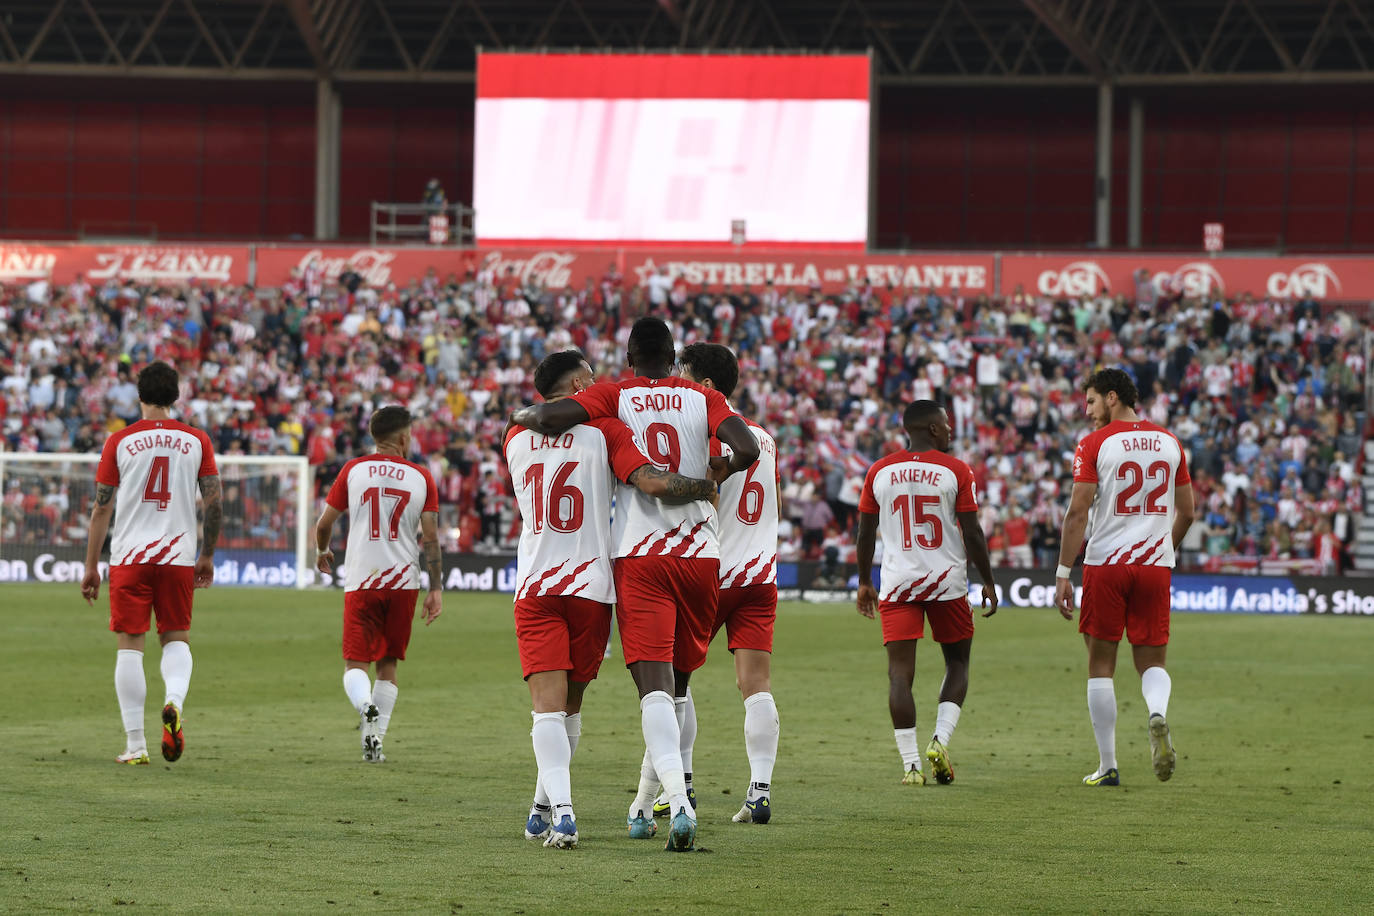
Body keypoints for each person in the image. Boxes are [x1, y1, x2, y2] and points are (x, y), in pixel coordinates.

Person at [512, 316, 760, 852]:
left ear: (628, 360)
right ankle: (645, 806)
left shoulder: (609, 402)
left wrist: (523, 413)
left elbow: (551, 419)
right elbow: (748, 447)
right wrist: (715, 475)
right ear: (673, 359)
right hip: (700, 556)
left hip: (632, 559)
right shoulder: (698, 396)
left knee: (644, 692)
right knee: (679, 691)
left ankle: (674, 800)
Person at [1054, 367, 1194, 787]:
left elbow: (1078, 512)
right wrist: (1162, 547)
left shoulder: (1095, 444)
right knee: (1151, 660)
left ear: (1112, 397)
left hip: (1107, 565)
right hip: (1154, 565)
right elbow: (1187, 512)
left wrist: (1063, 573)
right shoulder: (1170, 442)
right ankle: (1157, 713)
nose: (1090, 412)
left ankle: (1108, 765)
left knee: (1100, 664)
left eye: (1092, 402)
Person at [662, 342, 781, 825]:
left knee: (672, 680)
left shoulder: (703, 436)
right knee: (756, 684)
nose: (678, 385)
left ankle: (680, 786)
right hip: (761, 574)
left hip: (712, 571)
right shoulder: (766, 439)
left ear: (706, 386)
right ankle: (760, 789)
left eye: (684, 376)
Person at [81, 360, 222, 766]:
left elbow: (101, 509)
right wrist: (207, 554)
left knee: (130, 646)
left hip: (130, 556)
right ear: (175, 397)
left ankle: (135, 745)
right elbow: (214, 501)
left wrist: (92, 565)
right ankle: (173, 703)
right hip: (177, 556)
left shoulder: (119, 441)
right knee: (176, 638)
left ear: (139, 396)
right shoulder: (197, 440)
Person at [855, 400, 998, 786]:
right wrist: (987, 579)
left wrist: (864, 581)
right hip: (946, 582)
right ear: (933, 429)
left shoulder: (879, 471)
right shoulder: (955, 470)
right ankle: (940, 739)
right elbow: (972, 532)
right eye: (947, 424)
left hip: (898, 582)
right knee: (958, 664)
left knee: (899, 676)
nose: (950, 430)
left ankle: (911, 766)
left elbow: (865, 533)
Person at [315, 406, 443, 763]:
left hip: (363, 579)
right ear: (403, 438)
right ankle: (376, 744)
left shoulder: (353, 470)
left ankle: (364, 704)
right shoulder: (421, 476)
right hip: (403, 581)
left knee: (355, 663)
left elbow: (324, 523)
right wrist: (436, 588)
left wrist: (321, 551)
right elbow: (430, 538)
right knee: (388, 665)